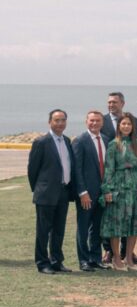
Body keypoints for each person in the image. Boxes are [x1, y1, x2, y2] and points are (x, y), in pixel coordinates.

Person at [27, 109, 77, 274]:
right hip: (46, 194)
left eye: (63, 120)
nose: (60, 123)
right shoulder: (41, 142)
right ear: (50, 122)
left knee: (58, 230)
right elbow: (32, 170)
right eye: (57, 120)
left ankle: (56, 261)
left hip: (63, 192)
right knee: (43, 231)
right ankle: (42, 263)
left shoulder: (67, 141)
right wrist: (40, 189)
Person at [100, 114, 137, 270]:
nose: (126, 126)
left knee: (134, 223)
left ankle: (129, 258)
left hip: (134, 186)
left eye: (129, 124)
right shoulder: (113, 145)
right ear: (119, 126)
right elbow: (109, 169)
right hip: (118, 186)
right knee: (117, 224)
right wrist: (107, 189)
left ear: (133, 127)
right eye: (123, 124)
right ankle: (116, 259)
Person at [72, 110, 110, 271]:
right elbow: (76, 170)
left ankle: (95, 258)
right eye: (91, 121)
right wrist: (82, 192)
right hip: (86, 194)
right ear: (86, 122)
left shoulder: (107, 140)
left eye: (98, 121)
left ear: (102, 123)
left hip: (102, 194)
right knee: (83, 227)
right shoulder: (80, 141)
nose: (94, 123)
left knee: (97, 228)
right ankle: (84, 260)